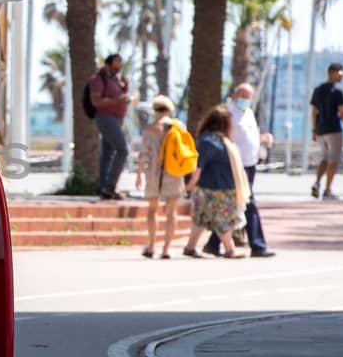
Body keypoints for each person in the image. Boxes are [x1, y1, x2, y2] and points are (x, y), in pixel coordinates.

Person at [204, 83, 276, 258]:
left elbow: (248, 137)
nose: (245, 99)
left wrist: (262, 139)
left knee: (236, 203)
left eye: (248, 96)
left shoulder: (249, 113)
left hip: (250, 164)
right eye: (243, 95)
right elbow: (219, 135)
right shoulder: (228, 113)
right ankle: (258, 245)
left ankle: (213, 243)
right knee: (248, 202)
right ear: (236, 95)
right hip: (234, 165)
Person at [182, 104, 249, 259]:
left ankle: (190, 247)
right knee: (222, 219)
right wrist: (191, 184)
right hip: (213, 188)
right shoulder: (210, 141)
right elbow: (199, 165)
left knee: (201, 219)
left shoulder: (220, 140)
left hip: (220, 186)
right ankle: (229, 249)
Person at [133, 94, 187, 259]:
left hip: (154, 173)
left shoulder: (149, 129)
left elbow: (144, 154)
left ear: (154, 110)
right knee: (172, 212)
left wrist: (139, 174)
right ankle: (166, 248)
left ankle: (151, 246)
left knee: (152, 210)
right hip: (174, 172)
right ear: (169, 110)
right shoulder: (178, 127)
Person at [87, 53, 132, 199]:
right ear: (109, 64)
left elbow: (117, 97)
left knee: (107, 154)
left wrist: (125, 89)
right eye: (117, 62)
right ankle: (111, 185)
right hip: (105, 119)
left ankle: (105, 189)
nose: (120, 65)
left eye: (121, 62)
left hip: (117, 119)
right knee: (122, 149)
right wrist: (118, 101)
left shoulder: (115, 80)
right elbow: (96, 101)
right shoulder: (98, 79)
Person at [310, 62, 343, 200]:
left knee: (325, 158)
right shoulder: (337, 92)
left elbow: (313, 112)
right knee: (333, 160)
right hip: (334, 130)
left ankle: (317, 183)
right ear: (332, 72)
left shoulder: (318, 90)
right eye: (341, 74)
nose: (342, 77)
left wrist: (314, 129)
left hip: (321, 130)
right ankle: (328, 190)